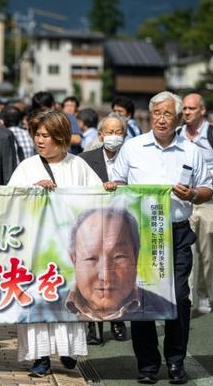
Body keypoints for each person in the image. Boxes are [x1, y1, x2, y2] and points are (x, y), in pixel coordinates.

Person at [106, 91, 213, 385]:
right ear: (150, 116)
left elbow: (208, 190)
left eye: (167, 114)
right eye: (157, 114)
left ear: (178, 118)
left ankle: (176, 361)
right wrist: (113, 186)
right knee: (142, 300)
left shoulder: (191, 151)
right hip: (140, 233)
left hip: (177, 232)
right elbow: (118, 182)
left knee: (178, 297)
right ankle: (148, 364)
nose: (162, 119)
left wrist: (191, 194)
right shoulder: (133, 147)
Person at [8, 110, 101, 377]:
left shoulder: (78, 166)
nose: (40, 140)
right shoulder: (27, 167)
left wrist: (106, 189)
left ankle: (68, 349)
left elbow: (96, 201)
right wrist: (32, 190)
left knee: (69, 300)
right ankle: (40, 357)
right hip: (36, 249)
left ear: (60, 137)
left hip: (71, 251)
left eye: (46, 135)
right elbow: (10, 202)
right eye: (37, 134)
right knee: (38, 299)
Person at [66, 208, 176, 321]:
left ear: (135, 256)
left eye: (119, 256)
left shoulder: (160, 307)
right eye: (91, 258)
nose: (105, 276)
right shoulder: (50, 306)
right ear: (74, 260)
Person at [179, 93, 213, 314]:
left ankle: (203, 294)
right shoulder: (177, 134)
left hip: (209, 199)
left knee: (207, 250)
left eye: (191, 108)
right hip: (184, 200)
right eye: (184, 109)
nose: (186, 112)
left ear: (202, 110)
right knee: (185, 250)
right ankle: (186, 297)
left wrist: (206, 175)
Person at [79, 114, 128, 343]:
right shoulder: (85, 159)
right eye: (109, 132)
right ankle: (92, 327)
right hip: (92, 224)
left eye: (119, 132)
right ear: (100, 135)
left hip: (121, 224)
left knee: (115, 271)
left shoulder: (131, 158)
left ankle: (118, 320)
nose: (114, 137)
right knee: (91, 274)